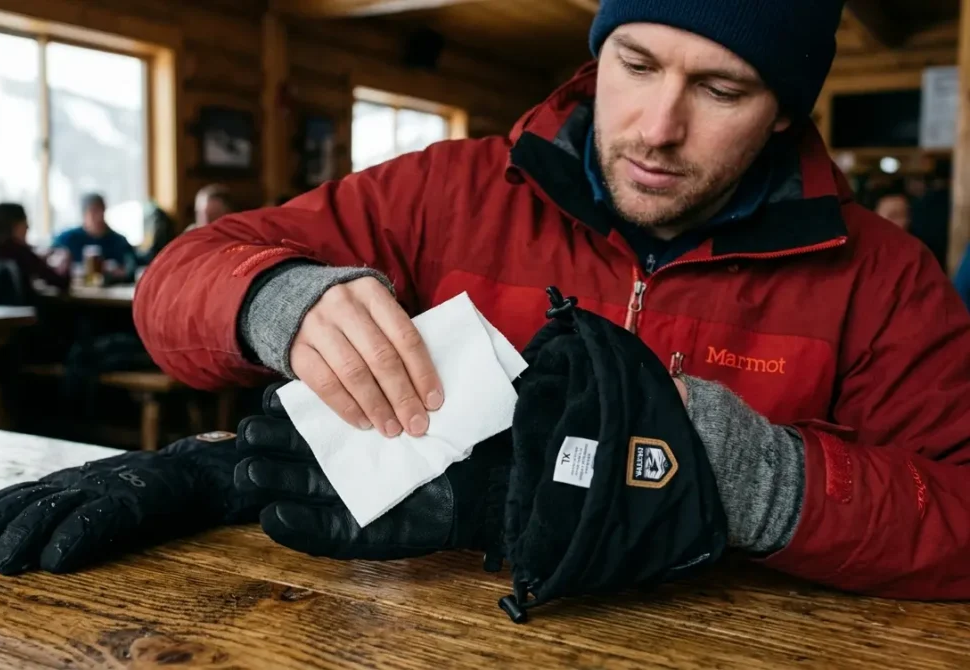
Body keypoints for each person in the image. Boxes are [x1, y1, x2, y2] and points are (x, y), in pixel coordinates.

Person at [134, 0, 970, 601]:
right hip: (424, 627)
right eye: (635, 65)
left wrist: (753, 479)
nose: (656, 127)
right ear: (597, 55)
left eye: (721, 91)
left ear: (785, 113)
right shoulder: (445, 191)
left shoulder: (885, 280)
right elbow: (178, 280)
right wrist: (275, 297)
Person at [0, 203, 70, 294]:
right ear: (16, 225)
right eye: (25, 222)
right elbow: (60, 282)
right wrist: (65, 263)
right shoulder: (21, 253)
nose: (28, 227)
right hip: (26, 310)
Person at [53, 193, 137, 277]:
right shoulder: (68, 239)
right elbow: (52, 258)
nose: (99, 217)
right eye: (94, 211)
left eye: (102, 211)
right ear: (84, 215)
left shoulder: (119, 242)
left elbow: (131, 268)